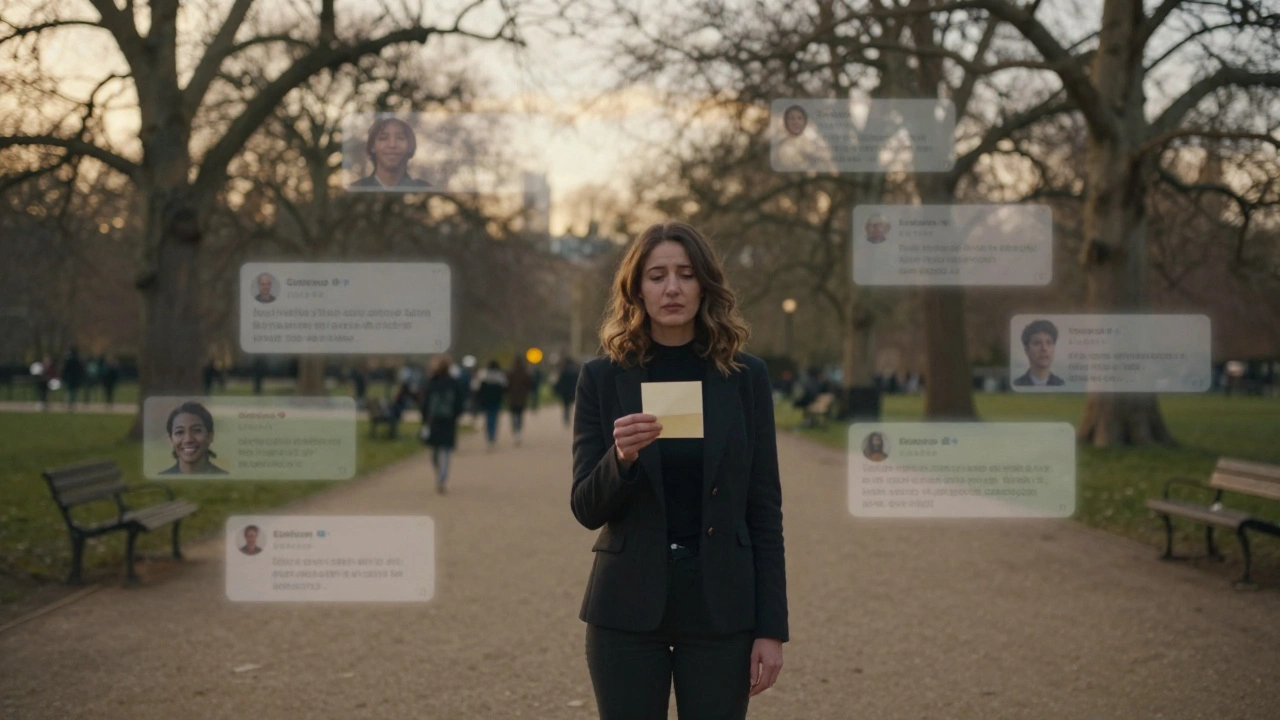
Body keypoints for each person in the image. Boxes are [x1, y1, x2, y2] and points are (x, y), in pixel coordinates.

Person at [571, 221, 788, 720]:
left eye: (686, 274)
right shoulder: (602, 377)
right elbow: (585, 507)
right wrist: (620, 459)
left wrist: (770, 627)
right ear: (637, 289)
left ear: (705, 285)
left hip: (721, 609)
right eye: (657, 275)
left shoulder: (745, 376)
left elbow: (764, 507)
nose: (672, 287)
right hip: (625, 608)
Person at [420, 355, 466, 494]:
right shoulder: (453, 383)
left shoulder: (431, 383)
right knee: (446, 451)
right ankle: (442, 477)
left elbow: (425, 403)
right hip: (448, 420)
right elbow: (459, 402)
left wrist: (424, 418)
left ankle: (439, 473)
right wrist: (456, 415)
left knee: (434, 451)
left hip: (435, 420)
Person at [348, 117, 432, 190]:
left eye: (400, 138)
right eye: (383, 138)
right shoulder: (356, 189)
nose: (392, 145)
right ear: (372, 146)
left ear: (409, 146)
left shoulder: (424, 189)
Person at [160, 401, 228, 475]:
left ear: (210, 436)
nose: (188, 439)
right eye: (179, 432)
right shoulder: (160, 480)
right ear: (170, 439)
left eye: (196, 430)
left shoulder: (226, 479)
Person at [1013, 319, 1065, 387]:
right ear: (1027, 350)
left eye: (1049, 343)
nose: (1044, 348)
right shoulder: (1016, 385)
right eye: (1037, 343)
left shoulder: (1062, 385)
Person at [473, 360, 508, 449]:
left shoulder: (483, 375)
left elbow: (476, 388)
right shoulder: (500, 376)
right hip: (496, 401)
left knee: (488, 418)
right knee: (494, 419)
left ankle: (489, 437)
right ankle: (492, 437)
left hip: (486, 401)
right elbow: (505, 388)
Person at [507, 357, 534, 446]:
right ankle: (518, 431)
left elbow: (507, 385)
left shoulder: (510, 372)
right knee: (520, 415)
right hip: (522, 397)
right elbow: (529, 384)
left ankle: (515, 430)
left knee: (514, 414)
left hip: (513, 397)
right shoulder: (524, 373)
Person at [555, 356, 579, 427]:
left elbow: (560, 382)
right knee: (570, 405)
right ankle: (568, 416)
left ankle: (566, 417)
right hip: (572, 391)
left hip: (565, 391)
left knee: (566, 405)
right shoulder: (575, 371)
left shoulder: (563, 371)